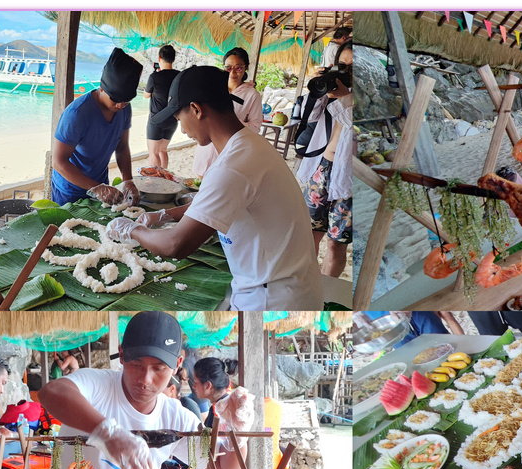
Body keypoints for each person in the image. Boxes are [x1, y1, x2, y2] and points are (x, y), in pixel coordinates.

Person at [21, 312, 254, 469]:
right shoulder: (98, 385)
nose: (145, 379)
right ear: (121, 355)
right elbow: (51, 392)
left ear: (177, 363)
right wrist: (107, 432)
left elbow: (225, 467)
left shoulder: (176, 417)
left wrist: (237, 433)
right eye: (136, 365)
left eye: (159, 368)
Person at [106, 66, 323, 311]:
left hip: (273, 298)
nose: (183, 130)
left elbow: (176, 245)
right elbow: (210, 203)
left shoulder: (233, 166)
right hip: (290, 285)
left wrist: (132, 230)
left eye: (179, 119)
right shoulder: (248, 145)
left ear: (196, 110)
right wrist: (163, 215)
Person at [51, 48, 143, 208]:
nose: (120, 105)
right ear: (101, 88)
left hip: (100, 185)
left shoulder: (124, 109)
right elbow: (59, 162)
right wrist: (96, 188)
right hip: (70, 190)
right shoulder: (77, 114)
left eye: (126, 101)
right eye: (115, 99)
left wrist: (127, 180)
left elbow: (121, 146)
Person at [297, 42, 353, 277]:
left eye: (353, 67)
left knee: (335, 242)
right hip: (320, 168)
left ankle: (328, 292)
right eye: (342, 65)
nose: (346, 72)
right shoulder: (333, 90)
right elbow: (307, 117)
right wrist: (318, 92)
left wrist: (347, 97)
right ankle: (305, 281)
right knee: (308, 234)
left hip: (347, 179)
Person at [191, 48, 263, 179]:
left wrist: (232, 120)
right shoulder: (214, 88)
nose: (233, 73)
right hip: (206, 147)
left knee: (219, 182)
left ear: (246, 67)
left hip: (229, 150)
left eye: (238, 68)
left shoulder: (252, 95)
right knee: (198, 183)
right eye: (228, 68)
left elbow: (256, 127)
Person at [144, 45, 181, 168]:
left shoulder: (155, 77)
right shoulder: (179, 76)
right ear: (173, 60)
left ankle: (156, 180)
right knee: (163, 151)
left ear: (159, 58)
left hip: (157, 120)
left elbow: (146, 95)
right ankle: (164, 177)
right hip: (173, 120)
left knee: (153, 152)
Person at [192, 358, 239, 429]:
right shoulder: (219, 406)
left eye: (196, 382)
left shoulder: (221, 412)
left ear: (208, 385)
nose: (193, 386)